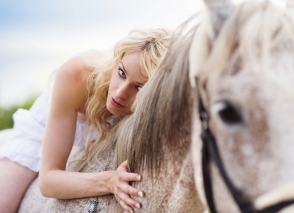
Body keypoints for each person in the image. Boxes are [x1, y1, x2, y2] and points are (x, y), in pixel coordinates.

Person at [0, 28, 173, 213]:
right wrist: (110, 180)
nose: (120, 93)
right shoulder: (77, 75)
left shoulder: (158, 104)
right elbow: (48, 181)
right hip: (41, 132)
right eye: (121, 73)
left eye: (138, 88)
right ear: (117, 59)